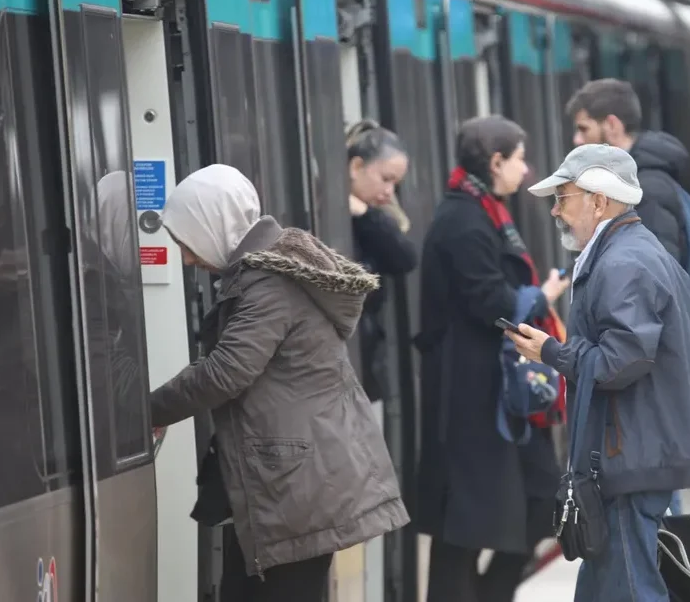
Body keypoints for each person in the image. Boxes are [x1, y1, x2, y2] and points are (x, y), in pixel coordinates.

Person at [149, 164, 409, 601]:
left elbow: (226, 371)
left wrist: (146, 412)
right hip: (297, 479)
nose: (187, 258)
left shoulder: (266, 284)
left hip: (295, 484)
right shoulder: (265, 274)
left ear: (213, 225)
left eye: (187, 242)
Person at [508, 143, 690, 602]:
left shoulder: (624, 263)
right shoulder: (626, 253)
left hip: (629, 457)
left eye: (564, 198)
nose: (556, 212)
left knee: (633, 589)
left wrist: (553, 353)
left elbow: (621, 362)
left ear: (599, 201)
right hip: (629, 454)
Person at [415, 116, 570, 602]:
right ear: (495, 161)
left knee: (532, 504)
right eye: (519, 159)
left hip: (495, 388)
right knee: (465, 523)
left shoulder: (484, 212)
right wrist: (540, 297)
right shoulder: (463, 220)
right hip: (472, 393)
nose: (526, 170)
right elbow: (487, 300)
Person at [565, 78, 690, 265]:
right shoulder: (630, 183)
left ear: (612, 126)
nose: (577, 140)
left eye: (584, 129)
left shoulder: (646, 189)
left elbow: (658, 277)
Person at [345, 120, 418, 402]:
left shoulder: (372, 213)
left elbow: (404, 258)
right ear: (356, 167)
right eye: (385, 179)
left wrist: (365, 215)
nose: (389, 192)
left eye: (395, 183)